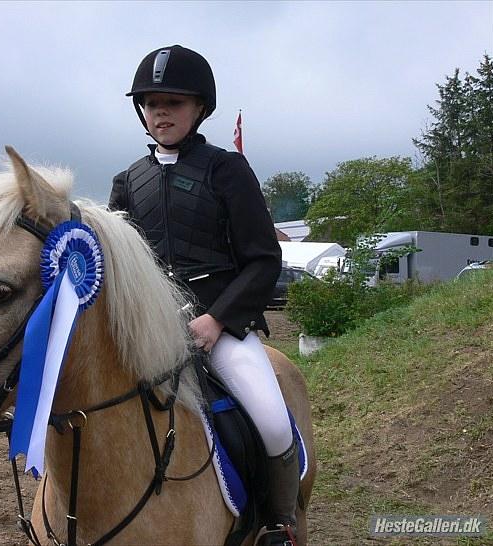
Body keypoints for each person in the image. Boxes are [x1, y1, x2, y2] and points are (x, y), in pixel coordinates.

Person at [109, 45, 297, 545]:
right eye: (151, 103)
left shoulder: (227, 170)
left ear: (199, 109)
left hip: (220, 324)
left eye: (174, 102)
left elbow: (263, 260)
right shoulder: (128, 181)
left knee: (274, 423)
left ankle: (279, 523)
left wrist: (216, 320)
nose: (160, 112)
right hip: (148, 327)